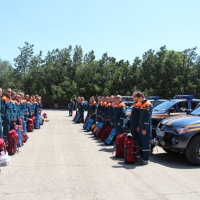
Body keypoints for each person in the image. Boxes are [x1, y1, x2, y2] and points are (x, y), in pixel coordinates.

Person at [136, 92, 153, 165]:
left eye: (138, 98)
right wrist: (139, 126)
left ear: (141, 97)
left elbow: (147, 118)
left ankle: (146, 159)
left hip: (146, 126)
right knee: (142, 142)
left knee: (146, 143)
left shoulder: (147, 104)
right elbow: (140, 117)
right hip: (141, 126)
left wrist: (144, 128)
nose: (137, 100)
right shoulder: (141, 104)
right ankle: (142, 157)